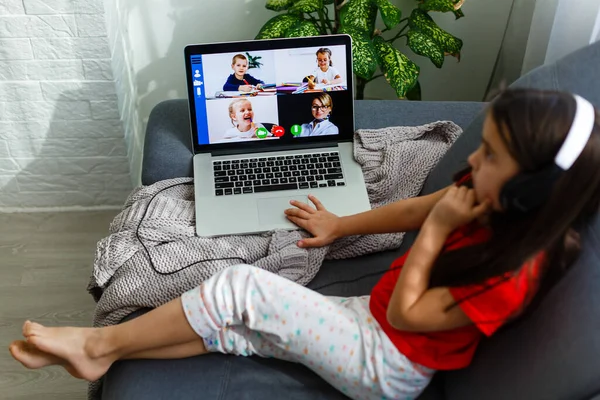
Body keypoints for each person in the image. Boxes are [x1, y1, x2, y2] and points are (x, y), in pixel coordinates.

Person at [8, 89, 600, 400]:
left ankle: (98, 340)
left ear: (536, 185)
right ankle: (106, 355)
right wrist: (341, 226)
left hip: (388, 364)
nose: (472, 159)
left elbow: (407, 314)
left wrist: (439, 231)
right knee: (237, 331)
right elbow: (420, 206)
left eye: (491, 154)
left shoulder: (515, 273)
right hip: (370, 320)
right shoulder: (486, 192)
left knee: (242, 287)